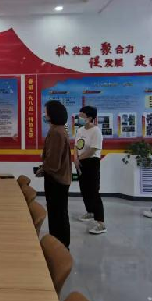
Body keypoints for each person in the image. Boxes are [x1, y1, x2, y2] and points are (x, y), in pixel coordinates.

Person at [36, 100, 71, 248]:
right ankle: (59, 245)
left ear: (52, 114)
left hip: (56, 180)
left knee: (57, 214)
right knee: (58, 213)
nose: (44, 115)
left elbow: (54, 162)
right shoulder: (59, 129)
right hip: (59, 178)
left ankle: (59, 246)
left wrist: (43, 167)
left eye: (46, 113)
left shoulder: (56, 132)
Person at [74, 106, 106, 235]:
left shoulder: (96, 131)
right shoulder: (80, 130)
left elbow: (93, 150)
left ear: (90, 117)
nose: (79, 118)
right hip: (80, 162)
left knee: (93, 192)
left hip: (91, 162)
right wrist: (75, 158)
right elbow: (76, 146)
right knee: (84, 190)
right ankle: (90, 212)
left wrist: (79, 158)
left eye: (82, 116)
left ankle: (101, 223)